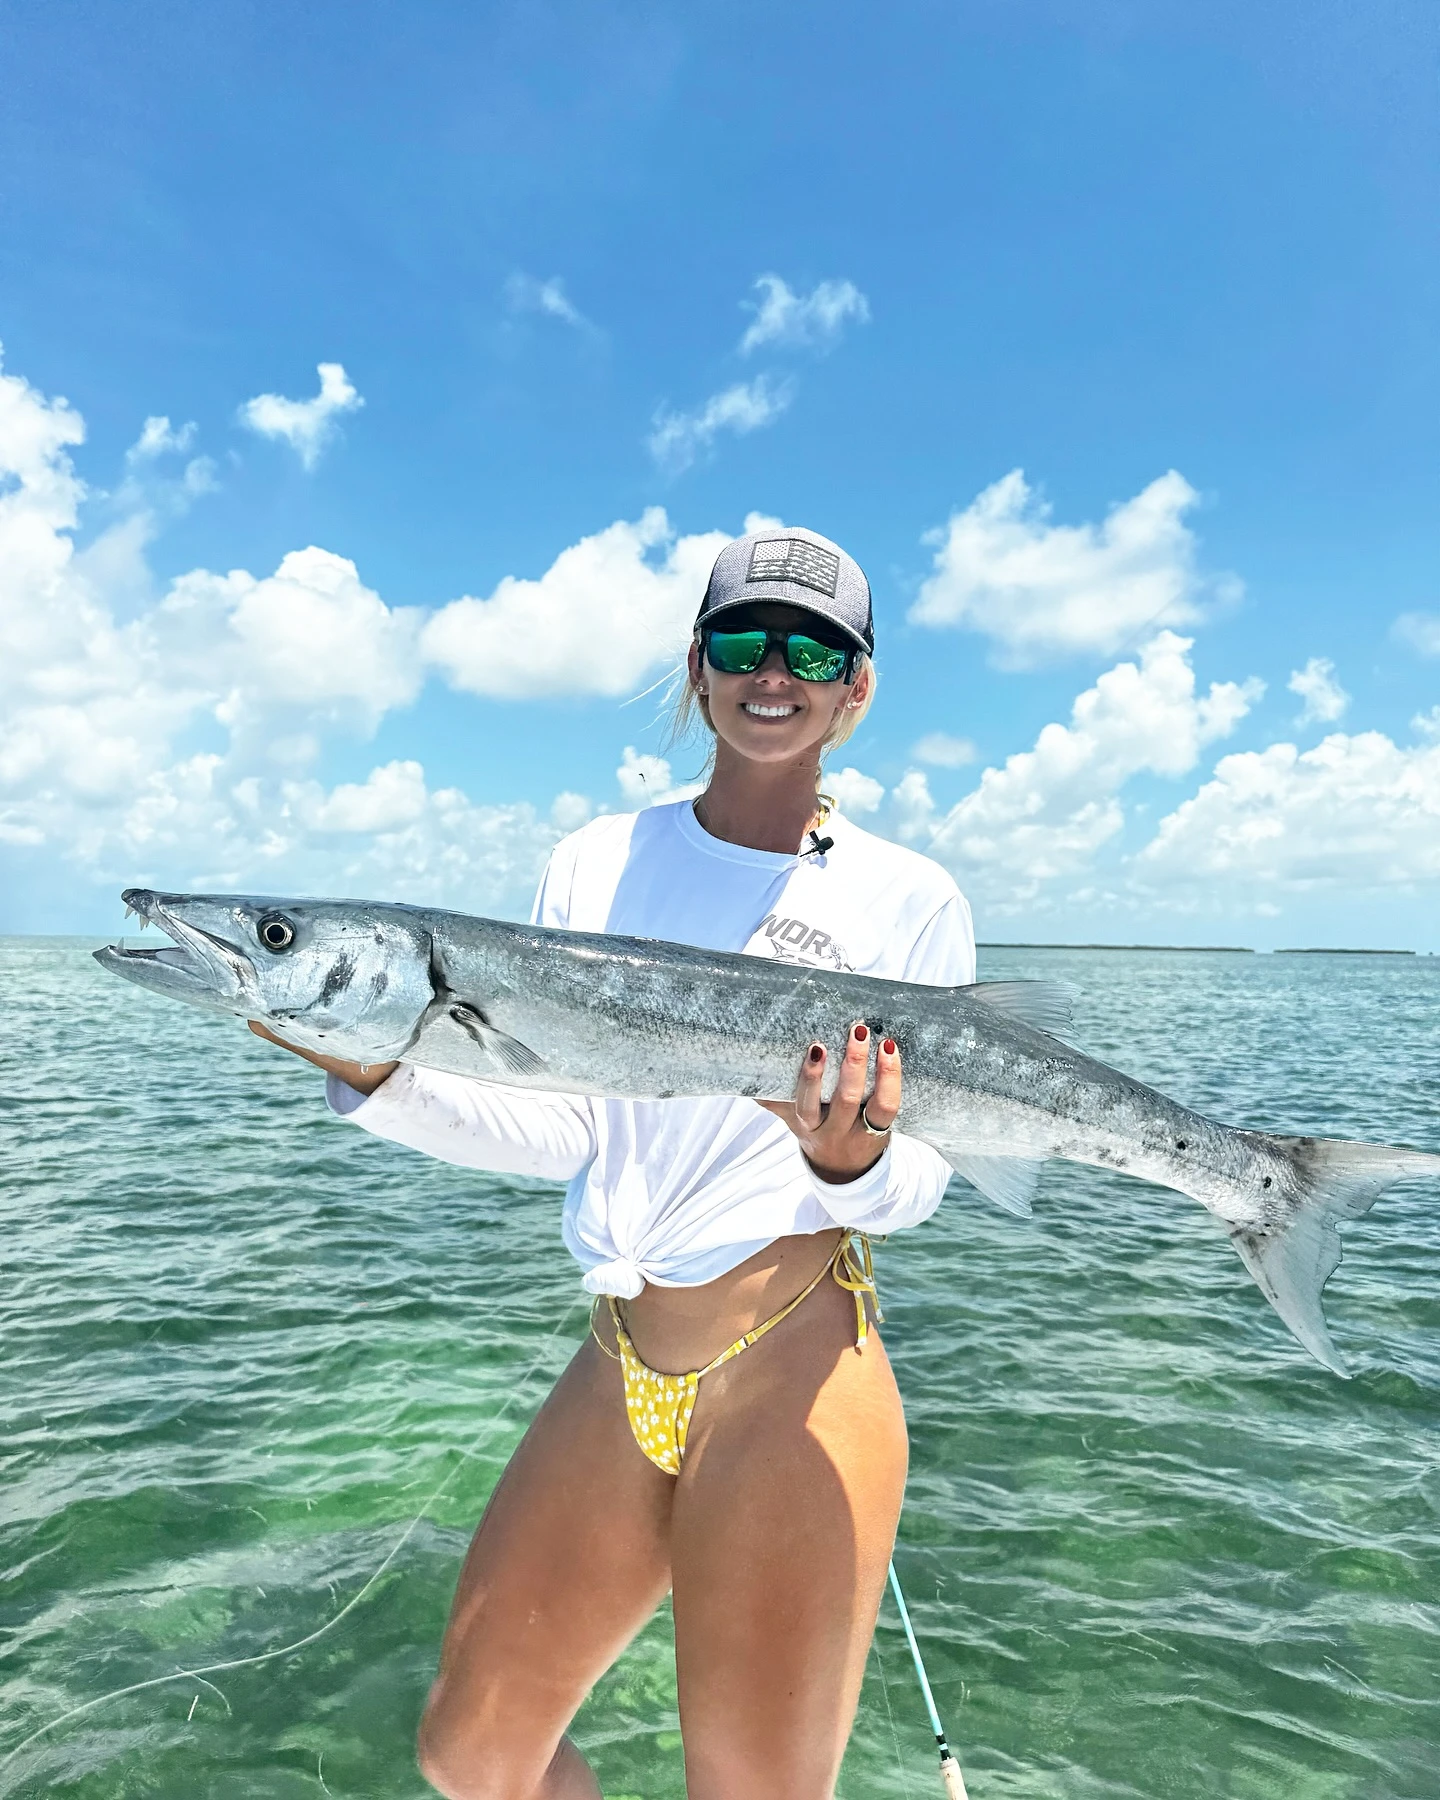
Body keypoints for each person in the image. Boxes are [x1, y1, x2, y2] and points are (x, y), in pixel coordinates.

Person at [252, 526, 975, 1800]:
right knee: (470, 1755)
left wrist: (848, 1163)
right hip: (622, 1360)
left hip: (792, 1374)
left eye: (813, 648)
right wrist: (380, 1078)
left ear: (855, 686)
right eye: (742, 640)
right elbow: (570, 1124)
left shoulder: (908, 897)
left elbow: (921, 1181)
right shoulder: (595, 858)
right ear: (698, 669)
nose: (774, 669)